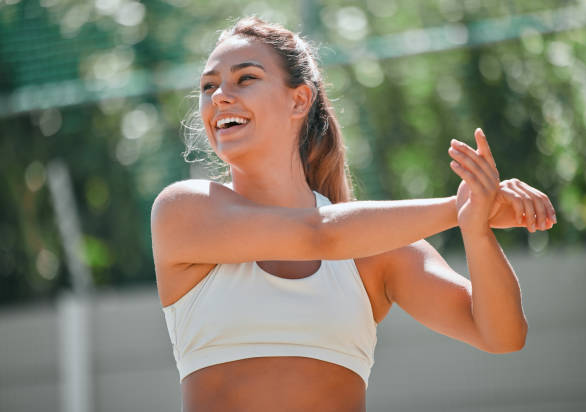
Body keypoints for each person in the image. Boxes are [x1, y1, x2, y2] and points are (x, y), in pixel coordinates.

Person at [150, 16, 556, 412]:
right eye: (208, 86)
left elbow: (502, 334)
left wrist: (477, 229)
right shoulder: (184, 210)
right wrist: (461, 207)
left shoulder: (375, 250)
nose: (220, 95)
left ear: (299, 99)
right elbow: (318, 235)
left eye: (246, 78)